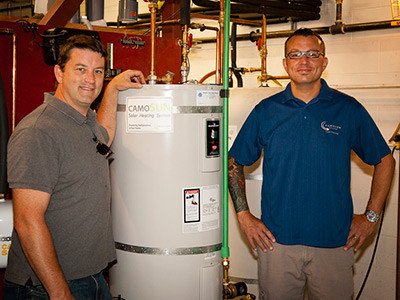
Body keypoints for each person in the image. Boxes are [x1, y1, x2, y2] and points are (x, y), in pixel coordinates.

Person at [228, 28, 395, 300]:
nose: (303, 61)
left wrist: (371, 218)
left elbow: (385, 160)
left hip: (334, 244)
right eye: (295, 55)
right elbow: (234, 162)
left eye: (312, 54)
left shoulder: (348, 109)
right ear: (285, 64)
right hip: (277, 245)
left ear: (324, 62)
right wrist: (244, 218)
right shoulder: (266, 111)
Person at [4, 34, 146, 299]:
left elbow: (104, 133)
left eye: (98, 71)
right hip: (47, 287)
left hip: (92, 277)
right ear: (59, 73)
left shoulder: (84, 121)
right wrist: (60, 293)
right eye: (80, 69)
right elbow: (27, 221)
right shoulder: (38, 132)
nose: (90, 80)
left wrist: (113, 88)